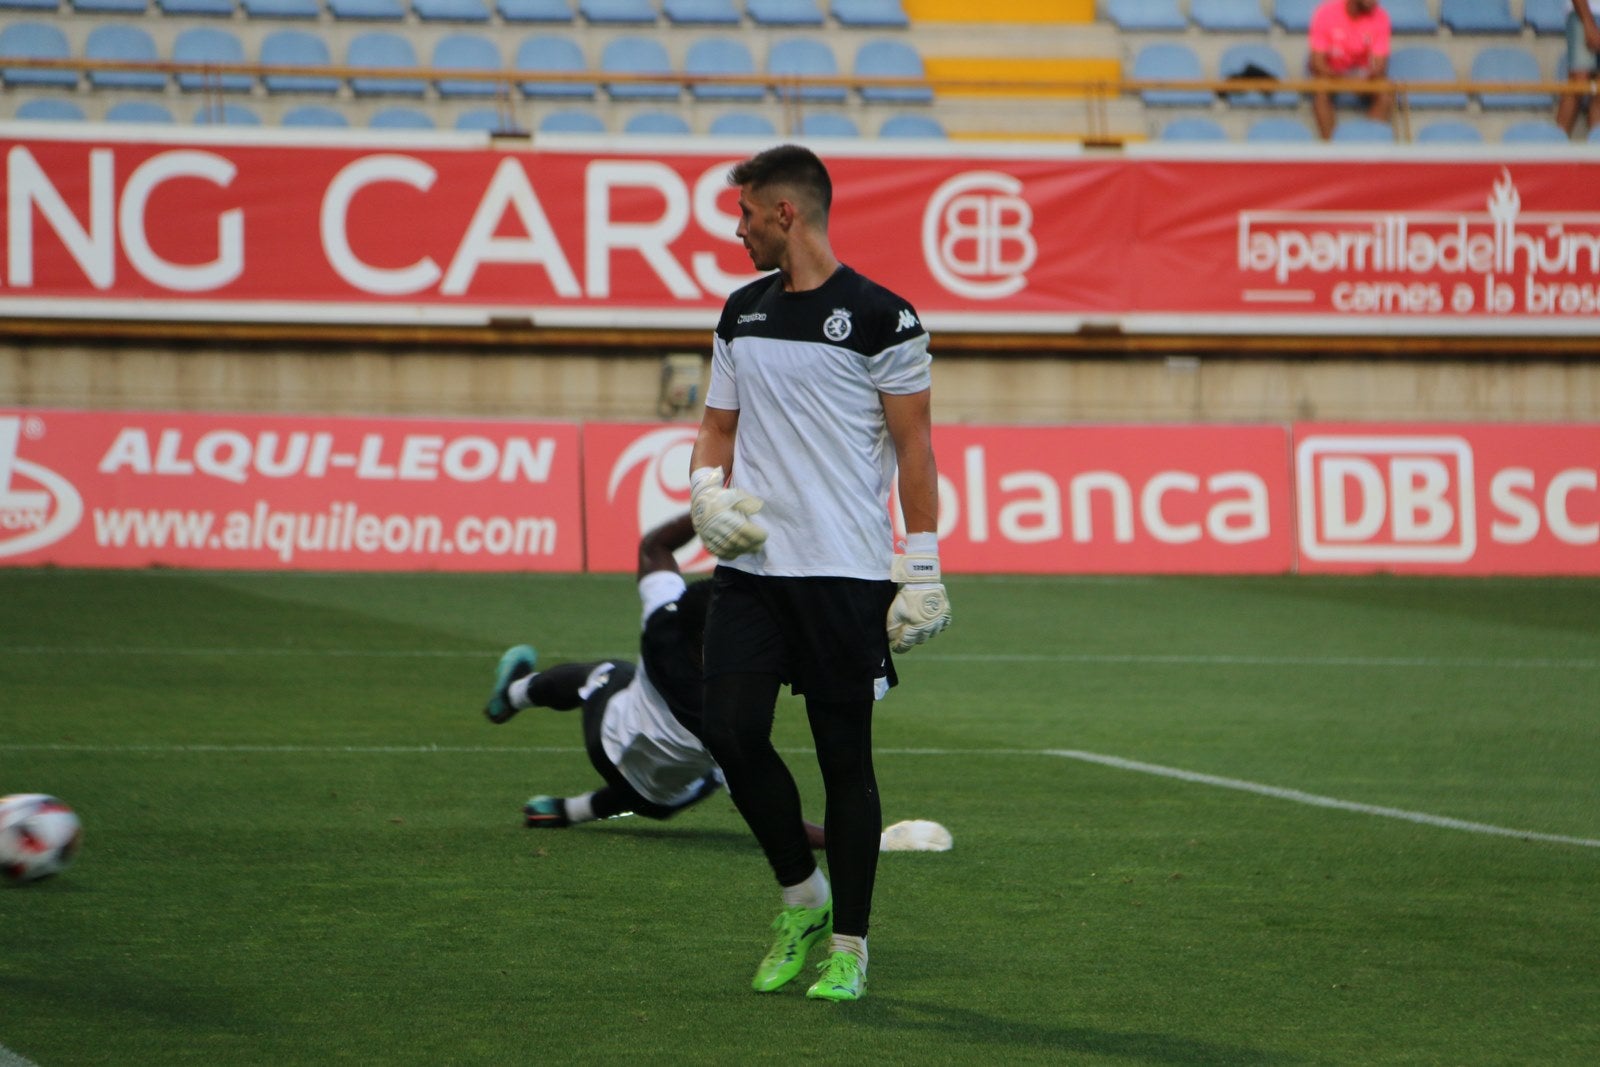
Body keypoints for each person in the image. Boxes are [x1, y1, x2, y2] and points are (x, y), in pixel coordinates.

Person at [687, 143, 950, 1003]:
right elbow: (716, 428)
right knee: (729, 727)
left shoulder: (884, 317)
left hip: (842, 572)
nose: (739, 231)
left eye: (747, 215)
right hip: (755, 568)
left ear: (786, 213)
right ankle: (801, 896)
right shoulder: (740, 314)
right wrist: (703, 496)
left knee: (846, 762)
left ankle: (851, 945)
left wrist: (922, 566)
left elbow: (915, 446)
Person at [482, 511, 826, 847]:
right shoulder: (728, 712)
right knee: (703, 777)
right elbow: (777, 817)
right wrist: (848, 837)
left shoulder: (666, 624)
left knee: (610, 673)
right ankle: (569, 811)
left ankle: (512, 696)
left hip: (608, 745)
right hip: (664, 802)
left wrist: (705, 513)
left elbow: (654, 547)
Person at [1307, 0, 1393, 140]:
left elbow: (1379, 66)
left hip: (1361, 73)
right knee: (1320, 92)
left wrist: (1365, 77)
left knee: (1385, 93)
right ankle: (1333, 150)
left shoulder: (1381, 16)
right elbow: (1317, 63)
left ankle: (1365, 145)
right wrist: (1343, 79)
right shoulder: (1326, 12)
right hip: (1330, 70)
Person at [1556, 0, 1600, 136]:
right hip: (1585, 12)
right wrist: (1588, 23)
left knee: (1598, 87)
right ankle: (1555, 145)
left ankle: (1596, 145)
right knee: (1579, 80)